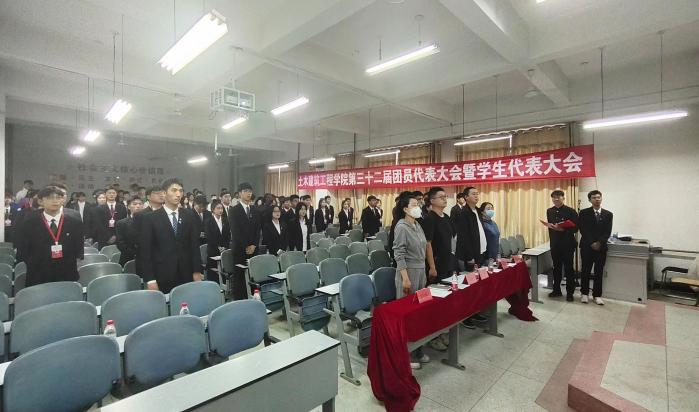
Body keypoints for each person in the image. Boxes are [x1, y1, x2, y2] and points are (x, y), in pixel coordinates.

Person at [139, 178, 202, 294]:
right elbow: (146, 252)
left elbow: (194, 246)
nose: (178, 194)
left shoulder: (189, 215)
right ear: (164, 193)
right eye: (174, 190)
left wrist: (197, 270)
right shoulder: (150, 218)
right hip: (162, 274)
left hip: (186, 273)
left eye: (181, 191)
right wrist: (150, 279)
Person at [18, 186, 84, 286]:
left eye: (58, 197)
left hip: (66, 272)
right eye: (50, 198)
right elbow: (23, 249)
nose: (55, 201)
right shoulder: (30, 221)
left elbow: (78, 246)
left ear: (63, 200)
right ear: (40, 201)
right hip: (38, 273)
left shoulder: (74, 221)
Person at [392, 194, 430, 369]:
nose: (418, 207)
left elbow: (424, 246)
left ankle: (417, 349)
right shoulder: (401, 226)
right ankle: (404, 355)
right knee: (406, 315)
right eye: (414, 205)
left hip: (420, 271)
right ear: (406, 209)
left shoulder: (417, 224)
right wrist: (405, 278)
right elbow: (399, 253)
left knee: (418, 313)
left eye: (418, 204)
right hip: (408, 272)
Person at [578, 190, 613, 305]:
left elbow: (607, 232)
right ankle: (584, 294)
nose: (597, 199)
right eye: (594, 197)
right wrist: (592, 243)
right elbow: (583, 229)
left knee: (599, 272)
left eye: (598, 197)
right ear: (590, 200)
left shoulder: (608, 214)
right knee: (585, 271)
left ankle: (597, 295)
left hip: (601, 248)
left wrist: (599, 243)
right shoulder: (583, 213)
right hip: (587, 247)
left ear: (601, 198)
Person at [229, 182, 261, 300]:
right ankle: (240, 301)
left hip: (253, 249)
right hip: (240, 249)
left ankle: (253, 299)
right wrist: (246, 246)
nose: (249, 193)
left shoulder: (255, 210)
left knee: (253, 276)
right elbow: (235, 231)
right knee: (240, 277)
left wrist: (254, 245)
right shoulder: (234, 210)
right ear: (240, 193)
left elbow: (258, 230)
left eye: (250, 191)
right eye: (246, 191)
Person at [546, 190, 579, 301]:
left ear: (563, 198)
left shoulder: (571, 211)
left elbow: (576, 228)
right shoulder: (549, 211)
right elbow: (551, 226)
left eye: (558, 197)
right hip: (555, 244)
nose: (556, 199)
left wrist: (563, 229)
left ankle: (570, 293)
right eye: (554, 197)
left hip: (568, 244)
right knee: (556, 268)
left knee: (569, 269)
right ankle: (556, 290)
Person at [455, 187, 487, 271]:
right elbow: (463, 237)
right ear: (466, 197)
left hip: (481, 250)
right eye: (473, 194)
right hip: (471, 254)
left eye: (477, 194)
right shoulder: (463, 213)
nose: (476, 196)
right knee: (472, 276)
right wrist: (469, 257)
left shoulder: (478, 211)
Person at [205, 199, 230, 284]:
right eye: (218, 208)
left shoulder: (225, 220)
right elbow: (209, 237)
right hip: (213, 250)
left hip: (224, 250)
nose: (220, 210)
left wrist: (224, 247)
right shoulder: (208, 221)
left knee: (224, 272)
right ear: (213, 209)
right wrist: (218, 247)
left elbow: (228, 236)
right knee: (213, 275)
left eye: (221, 208)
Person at [115, 197, 143, 265]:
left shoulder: (149, 221)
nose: (138, 206)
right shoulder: (121, 223)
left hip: (146, 256)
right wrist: (135, 253)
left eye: (140, 204)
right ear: (128, 207)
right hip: (128, 257)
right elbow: (120, 243)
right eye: (135, 204)